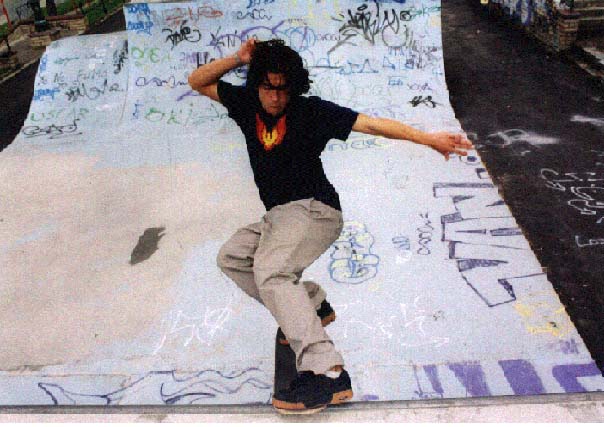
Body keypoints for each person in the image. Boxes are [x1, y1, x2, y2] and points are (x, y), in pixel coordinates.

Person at [188, 38, 473, 414]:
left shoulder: (311, 112)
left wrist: (428, 139)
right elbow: (197, 81)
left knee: (272, 272)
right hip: (278, 217)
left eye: (283, 89)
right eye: (268, 88)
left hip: (315, 210)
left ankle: (328, 372)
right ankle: (311, 302)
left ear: (293, 88)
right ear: (256, 84)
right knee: (234, 257)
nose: (275, 98)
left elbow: (373, 125)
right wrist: (237, 59)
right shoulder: (245, 104)